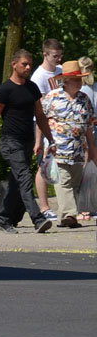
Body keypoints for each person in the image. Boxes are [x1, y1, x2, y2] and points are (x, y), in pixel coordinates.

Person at [0, 49, 55, 233]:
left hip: (27, 141)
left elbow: (40, 116)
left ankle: (3, 217)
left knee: (16, 181)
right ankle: (38, 219)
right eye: (24, 64)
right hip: (10, 141)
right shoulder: (4, 91)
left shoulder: (32, 88)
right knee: (25, 178)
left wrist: (50, 139)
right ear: (14, 64)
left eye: (29, 64)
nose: (28, 67)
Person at [40, 61, 97, 227]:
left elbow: (88, 126)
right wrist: (39, 142)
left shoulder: (84, 99)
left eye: (80, 79)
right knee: (63, 181)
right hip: (57, 148)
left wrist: (92, 149)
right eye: (76, 80)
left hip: (79, 149)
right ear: (65, 81)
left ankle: (63, 218)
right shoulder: (52, 97)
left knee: (74, 183)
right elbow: (41, 121)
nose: (79, 83)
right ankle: (70, 215)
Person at [30, 38, 64, 219]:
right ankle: (44, 207)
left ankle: (67, 206)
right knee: (44, 164)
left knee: (62, 165)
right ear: (45, 54)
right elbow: (40, 109)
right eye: (55, 56)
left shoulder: (61, 71)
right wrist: (39, 139)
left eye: (60, 56)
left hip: (62, 126)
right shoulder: (38, 77)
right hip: (44, 125)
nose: (58, 59)